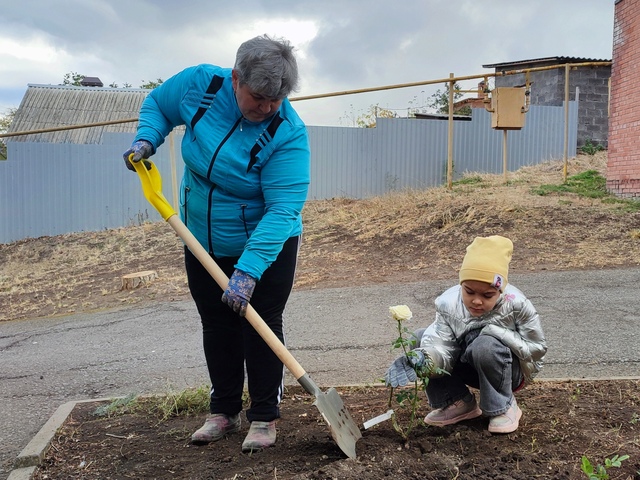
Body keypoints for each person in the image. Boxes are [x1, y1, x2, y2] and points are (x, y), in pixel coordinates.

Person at [123, 35, 310, 453]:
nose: (266, 108)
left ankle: (263, 416)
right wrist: (148, 138)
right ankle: (223, 410)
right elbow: (158, 104)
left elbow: (282, 210)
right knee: (216, 322)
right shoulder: (200, 85)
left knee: (261, 327)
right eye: (258, 97)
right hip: (201, 235)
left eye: (275, 100)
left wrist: (247, 271)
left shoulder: (289, 134)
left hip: (264, 242)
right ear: (235, 78)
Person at [385, 235, 547, 434]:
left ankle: (503, 406)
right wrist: (423, 359)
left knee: (485, 345)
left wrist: (495, 332)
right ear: (461, 285)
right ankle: (457, 402)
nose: (477, 301)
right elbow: (441, 346)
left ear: (500, 290)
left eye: (487, 295)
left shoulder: (517, 305)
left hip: (509, 372)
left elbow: (537, 350)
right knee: (419, 338)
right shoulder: (447, 303)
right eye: (469, 292)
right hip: (470, 364)